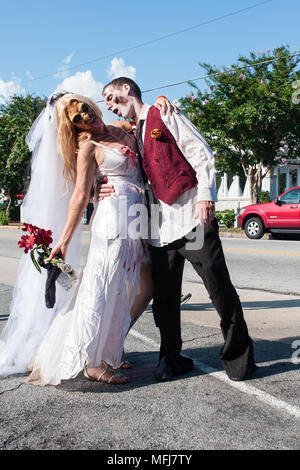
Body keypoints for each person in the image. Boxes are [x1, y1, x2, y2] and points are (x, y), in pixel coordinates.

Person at [0, 91, 172, 386]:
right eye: (77, 119)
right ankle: (93, 363)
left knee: (132, 286)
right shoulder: (88, 147)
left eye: (84, 109)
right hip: (113, 221)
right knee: (103, 287)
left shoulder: (123, 127)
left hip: (137, 220)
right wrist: (64, 241)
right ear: (74, 127)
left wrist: (160, 100)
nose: (86, 117)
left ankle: (110, 351)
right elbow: (79, 195)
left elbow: (144, 118)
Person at [99, 77, 258, 382]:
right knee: (165, 299)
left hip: (190, 218)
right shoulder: (132, 130)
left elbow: (202, 152)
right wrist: (99, 187)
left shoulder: (166, 113)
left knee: (219, 289)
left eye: (110, 97)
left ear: (127, 90)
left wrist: (206, 197)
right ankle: (170, 359)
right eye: (105, 102)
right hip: (159, 227)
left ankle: (239, 359)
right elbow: (101, 149)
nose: (109, 105)